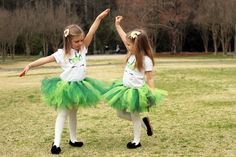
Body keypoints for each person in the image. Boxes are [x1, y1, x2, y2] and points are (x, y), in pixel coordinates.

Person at [19, 9, 110, 154]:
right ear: (68, 40)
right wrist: (30, 65)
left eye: (81, 40)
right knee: (62, 114)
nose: (80, 43)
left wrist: (99, 18)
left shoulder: (82, 49)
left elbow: (92, 32)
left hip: (80, 86)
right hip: (65, 88)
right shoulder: (61, 54)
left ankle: (73, 139)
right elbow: (45, 59)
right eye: (77, 41)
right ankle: (56, 144)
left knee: (74, 113)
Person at [104, 16, 167, 149]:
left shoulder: (146, 60)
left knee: (134, 115)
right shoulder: (131, 53)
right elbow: (124, 37)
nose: (127, 46)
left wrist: (152, 91)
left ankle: (136, 141)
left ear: (138, 46)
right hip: (124, 89)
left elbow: (150, 78)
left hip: (136, 92)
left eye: (129, 45)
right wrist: (117, 25)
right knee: (120, 113)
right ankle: (145, 124)